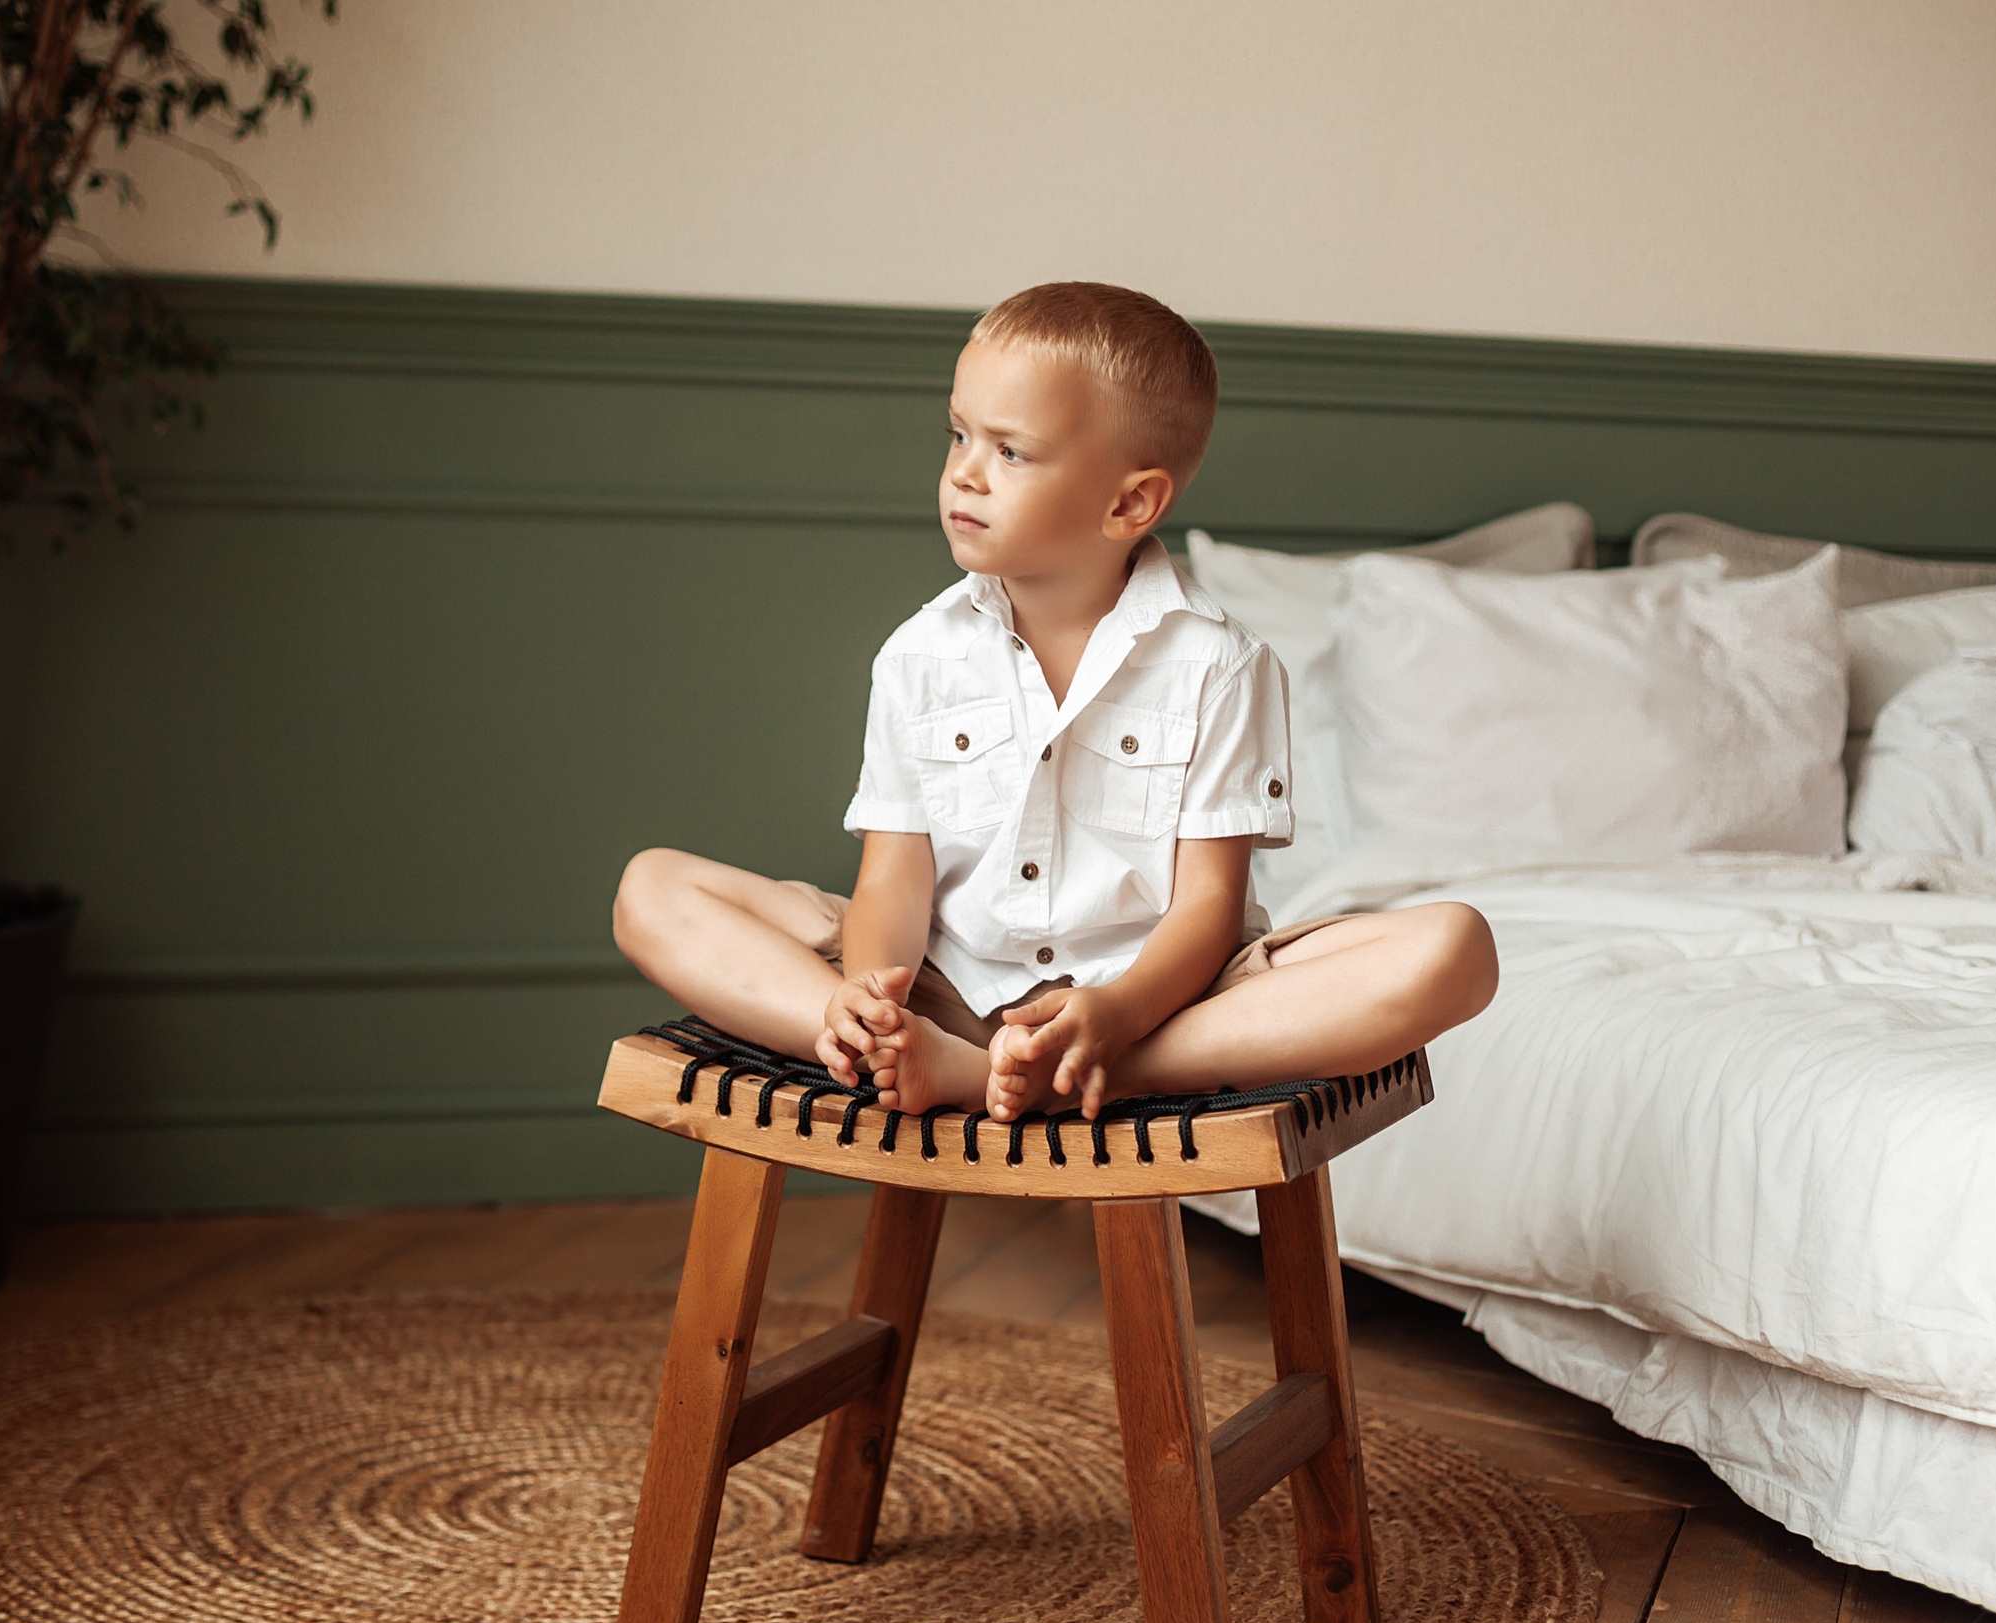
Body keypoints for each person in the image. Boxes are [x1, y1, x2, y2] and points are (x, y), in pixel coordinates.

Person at [613, 282, 1497, 1122]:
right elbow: (895, 874)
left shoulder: (1220, 663)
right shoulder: (919, 654)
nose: (965, 474)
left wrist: (1114, 1015)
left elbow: (1207, 909)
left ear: (1129, 502)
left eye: (1009, 451)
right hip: (949, 985)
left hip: (1158, 1001)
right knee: (650, 888)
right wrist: (870, 988)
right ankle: (887, 1043)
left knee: (1456, 948)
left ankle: (1071, 1074)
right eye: (957, 435)